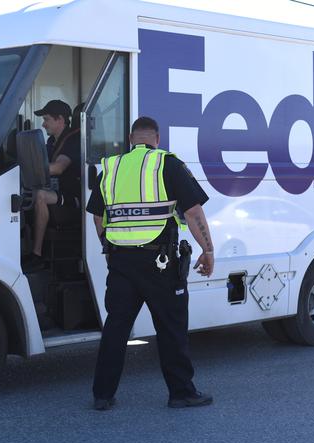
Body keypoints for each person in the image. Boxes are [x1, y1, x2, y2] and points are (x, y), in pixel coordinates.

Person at [86, 116, 215, 410]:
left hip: (120, 262)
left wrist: (110, 248)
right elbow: (193, 212)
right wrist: (208, 250)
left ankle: (102, 395)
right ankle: (181, 393)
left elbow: (97, 215)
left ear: (131, 139)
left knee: (116, 328)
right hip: (160, 262)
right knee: (171, 329)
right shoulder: (166, 163)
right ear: (157, 139)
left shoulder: (112, 167)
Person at [22, 99, 81, 272]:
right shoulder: (52, 142)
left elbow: (58, 168)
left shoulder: (73, 140)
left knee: (41, 196)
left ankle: (37, 254)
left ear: (60, 120)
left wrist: (29, 168)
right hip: (59, 192)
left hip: (75, 198)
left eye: (47, 119)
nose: (43, 123)